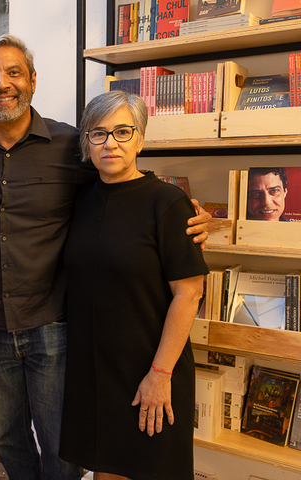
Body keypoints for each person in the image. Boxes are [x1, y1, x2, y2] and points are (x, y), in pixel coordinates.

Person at [0, 34, 210, 480]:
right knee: (6, 436)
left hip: (54, 327)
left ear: (33, 81)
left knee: (62, 445)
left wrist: (181, 211)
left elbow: (123, 185)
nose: (2, 84)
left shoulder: (68, 146)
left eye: (13, 73)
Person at [59, 90, 208, 480]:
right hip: (96, 373)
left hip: (152, 368)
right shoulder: (80, 200)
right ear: (86, 143)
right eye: (98, 133)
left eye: (123, 132)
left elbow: (189, 293)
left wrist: (160, 373)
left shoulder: (168, 202)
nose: (110, 143)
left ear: (140, 139)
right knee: (106, 472)